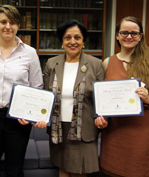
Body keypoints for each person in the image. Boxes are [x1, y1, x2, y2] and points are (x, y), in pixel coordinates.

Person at [0, 5, 45, 177]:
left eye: (12, 22)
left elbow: (37, 87)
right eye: (3, 22)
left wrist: (31, 114)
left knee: (15, 169)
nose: (8, 26)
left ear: (18, 26)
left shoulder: (30, 53)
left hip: (17, 119)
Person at [95, 16, 149, 177]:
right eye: (124, 32)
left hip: (141, 128)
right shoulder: (107, 62)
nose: (129, 36)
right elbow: (102, 98)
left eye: (134, 33)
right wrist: (101, 117)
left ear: (140, 37)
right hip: (115, 129)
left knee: (138, 170)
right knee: (111, 170)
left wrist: (148, 98)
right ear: (117, 35)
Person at [43, 19, 105, 177]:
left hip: (83, 128)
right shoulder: (51, 64)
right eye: (67, 37)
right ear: (62, 42)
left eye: (77, 37)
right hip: (59, 129)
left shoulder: (95, 64)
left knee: (79, 172)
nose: (72, 41)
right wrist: (40, 115)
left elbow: (102, 98)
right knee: (62, 169)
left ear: (83, 41)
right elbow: (45, 95)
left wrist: (103, 117)